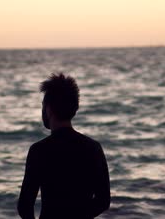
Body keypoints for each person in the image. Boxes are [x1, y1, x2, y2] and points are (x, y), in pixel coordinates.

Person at [17, 73, 111, 219]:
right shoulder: (93, 148)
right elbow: (103, 201)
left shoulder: (39, 151)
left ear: (49, 109)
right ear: (75, 108)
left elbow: (24, 206)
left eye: (43, 106)